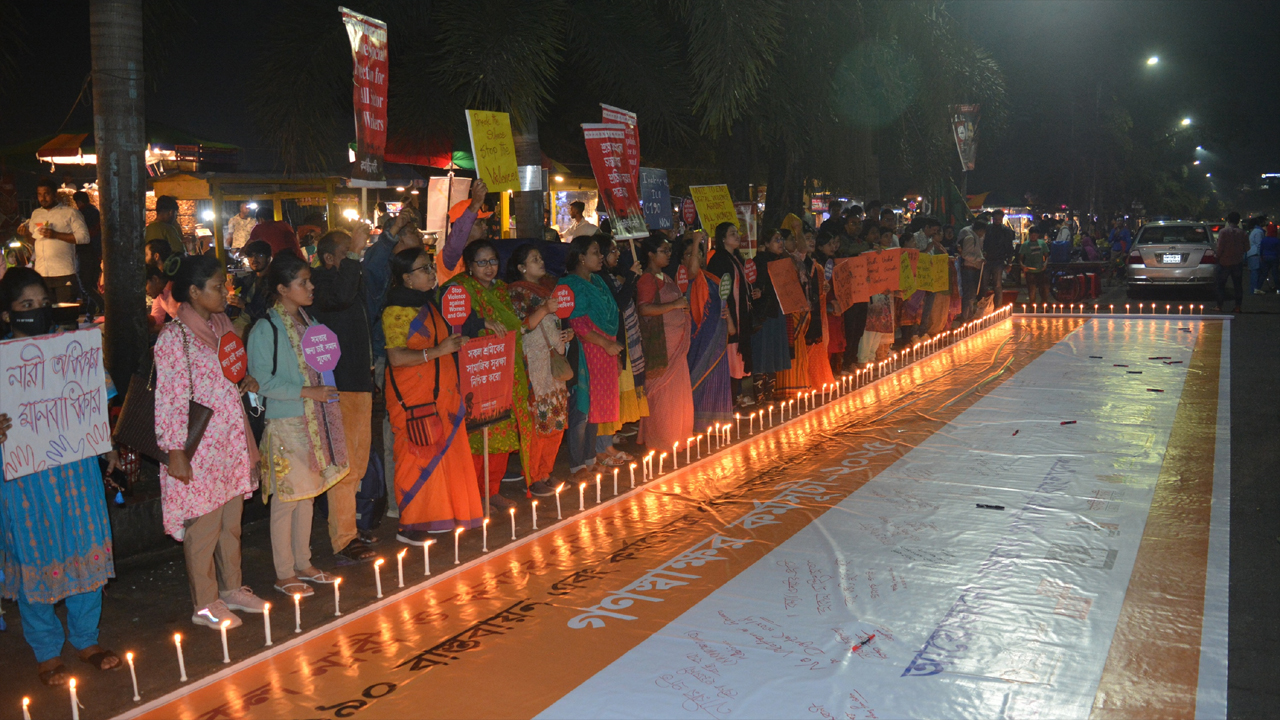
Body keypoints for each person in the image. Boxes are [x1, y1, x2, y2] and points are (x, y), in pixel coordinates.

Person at [0, 267, 121, 685]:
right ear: (7, 313)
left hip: (76, 472)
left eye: (43, 303)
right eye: (26, 305)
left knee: (85, 545)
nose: (37, 311)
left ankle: (87, 639)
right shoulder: (2, 361)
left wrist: (106, 446)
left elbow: (96, 402)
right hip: (24, 481)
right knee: (33, 555)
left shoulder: (71, 349)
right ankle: (47, 651)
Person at [155, 255, 267, 629]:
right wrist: (175, 451)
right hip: (199, 448)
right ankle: (204, 603)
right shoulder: (175, 338)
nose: (226, 291)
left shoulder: (222, 327)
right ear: (193, 291)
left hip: (230, 441)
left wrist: (244, 380)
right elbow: (170, 399)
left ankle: (232, 588)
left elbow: (228, 376)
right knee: (203, 530)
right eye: (218, 286)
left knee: (230, 524)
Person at [247, 253, 348, 597]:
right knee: (287, 499)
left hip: (313, 418)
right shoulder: (266, 328)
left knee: (308, 495)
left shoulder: (310, 322)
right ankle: (284, 572)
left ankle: (303, 564)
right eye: (302, 282)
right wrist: (307, 391)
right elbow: (260, 380)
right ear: (281, 288)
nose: (310, 287)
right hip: (286, 420)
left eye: (309, 280)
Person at [382, 248, 485, 543]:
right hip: (413, 398)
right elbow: (396, 357)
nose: (431, 273)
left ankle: (440, 516)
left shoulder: (431, 304)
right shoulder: (396, 311)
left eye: (430, 267)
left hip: (443, 394)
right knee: (415, 456)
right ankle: (411, 525)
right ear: (407, 278)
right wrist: (438, 351)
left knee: (443, 455)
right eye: (424, 269)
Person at [443, 241, 535, 508]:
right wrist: (481, 322)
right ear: (469, 265)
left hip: (505, 370)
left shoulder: (502, 290)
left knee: (502, 430)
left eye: (493, 261)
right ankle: (472, 494)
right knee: (477, 434)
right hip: (474, 372)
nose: (488, 267)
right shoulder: (457, 289)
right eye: (481, 262)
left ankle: (492, 490)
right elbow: (451, 321)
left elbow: (516, 326)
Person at [310, 231, 377, 564]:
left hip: (358, 380)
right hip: (339, 383)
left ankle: (350, 528)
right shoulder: (322, 284)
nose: (353, 258)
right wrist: (353, 257)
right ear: (329, 258)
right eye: (345, 253)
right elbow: (340, 298)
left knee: (358, 464)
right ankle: (344, 538)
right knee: (345, 466)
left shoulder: (346, 279)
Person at [504, 244, 573, 496]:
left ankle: (546, 471)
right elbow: (519, 327)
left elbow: (553, 324)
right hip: (533, 364)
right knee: (537, 423)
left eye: (541, 258)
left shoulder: (547, 289)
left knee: (555, 419)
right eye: (534, 259)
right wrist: (544, 309)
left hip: (551, 362)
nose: (541, 262)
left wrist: (566, 335)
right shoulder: (515, 293)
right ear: (522, 267)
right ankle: (533, 477)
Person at [557, 236, 623, 479]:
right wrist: (605, 343)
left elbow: (611, 313)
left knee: (594, 409)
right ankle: (577, 466)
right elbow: (577, 324)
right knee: (581, 410)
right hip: (584, 352)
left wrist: (611, 349)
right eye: (596, 252)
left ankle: (590, 459)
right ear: (581, 257)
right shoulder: (569, 285)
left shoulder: (597, 280)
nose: (601, 256)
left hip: (604, 351)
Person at [635, 233, 694, 452]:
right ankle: (662, 438)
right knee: (663, 392)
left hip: (676, 342)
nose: (669, 254)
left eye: (669, 250)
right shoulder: (647, 279)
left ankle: (678, 435)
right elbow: (644, 309)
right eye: (664, 250)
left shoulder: (665, 276)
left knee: (677, 391)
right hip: (663, 345)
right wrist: (675, 305)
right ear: (651, 254)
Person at [593, 236, 646, 465]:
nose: (616, 255)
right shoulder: (599, 280)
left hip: (615, 344)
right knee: (604, 397)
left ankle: (606, 444)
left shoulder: (609, 276)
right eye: (612, 251)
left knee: (611, 397)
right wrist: (631, 277)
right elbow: (618, 304)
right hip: (604, 345)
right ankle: (601, 448)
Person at [706, 222, 759, 407]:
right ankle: (728, 403)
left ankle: (735, 398)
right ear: (722, 238)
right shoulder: (719, 260)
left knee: (737, 360)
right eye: (732, 233)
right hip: (728, 319)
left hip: (739, 318)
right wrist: (728, 318)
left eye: (737, 232)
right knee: (730, 361)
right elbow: (718, 292)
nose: (737, 236)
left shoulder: (736, 258)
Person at [16, 177, 89, 305]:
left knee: (65, 312)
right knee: (46, 312)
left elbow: (84, 238)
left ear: (55, 194)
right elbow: (35, 242)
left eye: (46, 194)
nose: (43, 198)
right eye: (39, 194)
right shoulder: (36, 214)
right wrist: (26, 234)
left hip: (64, 272)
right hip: (42, 273)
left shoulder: (70, 213)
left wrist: (55, 234)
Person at [750, 230, 792, 393]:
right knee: (762, 352)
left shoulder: (783, 261)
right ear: (766, 244)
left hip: (778, 312)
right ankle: (759, 395)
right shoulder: (759, 262)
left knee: (773, 352)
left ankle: (770, 394)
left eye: (781, 239)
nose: (780, 243)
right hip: (765, 314)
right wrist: (759, 292)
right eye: (776, 240)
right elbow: (753, 284)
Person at [229, 240, 274, 331]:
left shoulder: (272, 283)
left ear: (268, 258)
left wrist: (244, 305)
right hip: (239, 323)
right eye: (250, 256)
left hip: (255, 328)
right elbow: (238, 284)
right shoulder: (251, 278)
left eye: (259, 255)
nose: (254, 259)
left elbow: (268, 314)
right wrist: (231, 283)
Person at [72, 191, 103, 315]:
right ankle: (90, 314)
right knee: (92, 285)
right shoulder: (96, 212)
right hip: (96, 252)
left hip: (86, 252)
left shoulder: (82, 214)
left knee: (84, 285)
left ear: (79, 202)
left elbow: (85, 235)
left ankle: (102, 304)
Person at [1214, 212, 1248, 313]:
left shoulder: (1223, 232)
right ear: (1238, 221)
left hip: (1224, 261)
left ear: (1228, 220)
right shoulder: (1243, 233)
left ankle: (1219, 306)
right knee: (1237, 285)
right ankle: (1238, 307)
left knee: (1221, 285)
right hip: (1237, 261)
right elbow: (1247, 247)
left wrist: (1217, 256)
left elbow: (1220, 247)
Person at [984, 210, 1015, 306]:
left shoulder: (1006, 231)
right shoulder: (988, 228)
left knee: (997, 285)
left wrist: (1009, 262)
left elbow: (1009, 247)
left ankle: (997, 306)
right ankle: (984, 305)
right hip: (988, 259)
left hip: (999, 259)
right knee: (984, 284)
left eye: (999, 219)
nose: (997, 221)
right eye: (996, 219)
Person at [958, 220, 986, 319]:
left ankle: (968, 316)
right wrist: (979, 259)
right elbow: (965, 254)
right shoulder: (970, 238)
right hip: (969, 268)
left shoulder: (975, 237)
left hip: (974, 269)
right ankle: (965, 318)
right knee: (969, 295)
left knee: (972, 295)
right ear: (980, 230)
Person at [1019, 227, 1050, 305]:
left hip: (1041, 269)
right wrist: (1023, 266)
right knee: (1032, 290)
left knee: (1044, 289)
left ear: (1038, 235)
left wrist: (1045, 264)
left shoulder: (1042, 243)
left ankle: (1044, 304)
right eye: (1032, 235)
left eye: (1035, 235)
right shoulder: (1025, 245)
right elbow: (1020, 258)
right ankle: (1032, 305)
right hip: (1030, 270)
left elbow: (1047, 256)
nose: (1033, 237)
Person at [1248, 215, 1266, 294]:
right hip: (1255, 254)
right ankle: (1256, 288)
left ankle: (1253, 289)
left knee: (1253, 272)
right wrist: (1260, 255)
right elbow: (1259, 245)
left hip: (1251, 253)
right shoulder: (1259, 232)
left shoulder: (1253, 231)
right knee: (1257, 272)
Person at [1259, 223, 1279, 293]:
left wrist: (1261, 257)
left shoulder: (1264, 240)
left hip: (1265, 257)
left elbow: (1261, 249)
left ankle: (1258, 287)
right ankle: (1278, 289)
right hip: (1274, 257)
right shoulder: (1277, 240)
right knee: (1275, 274)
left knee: (1264, 273)